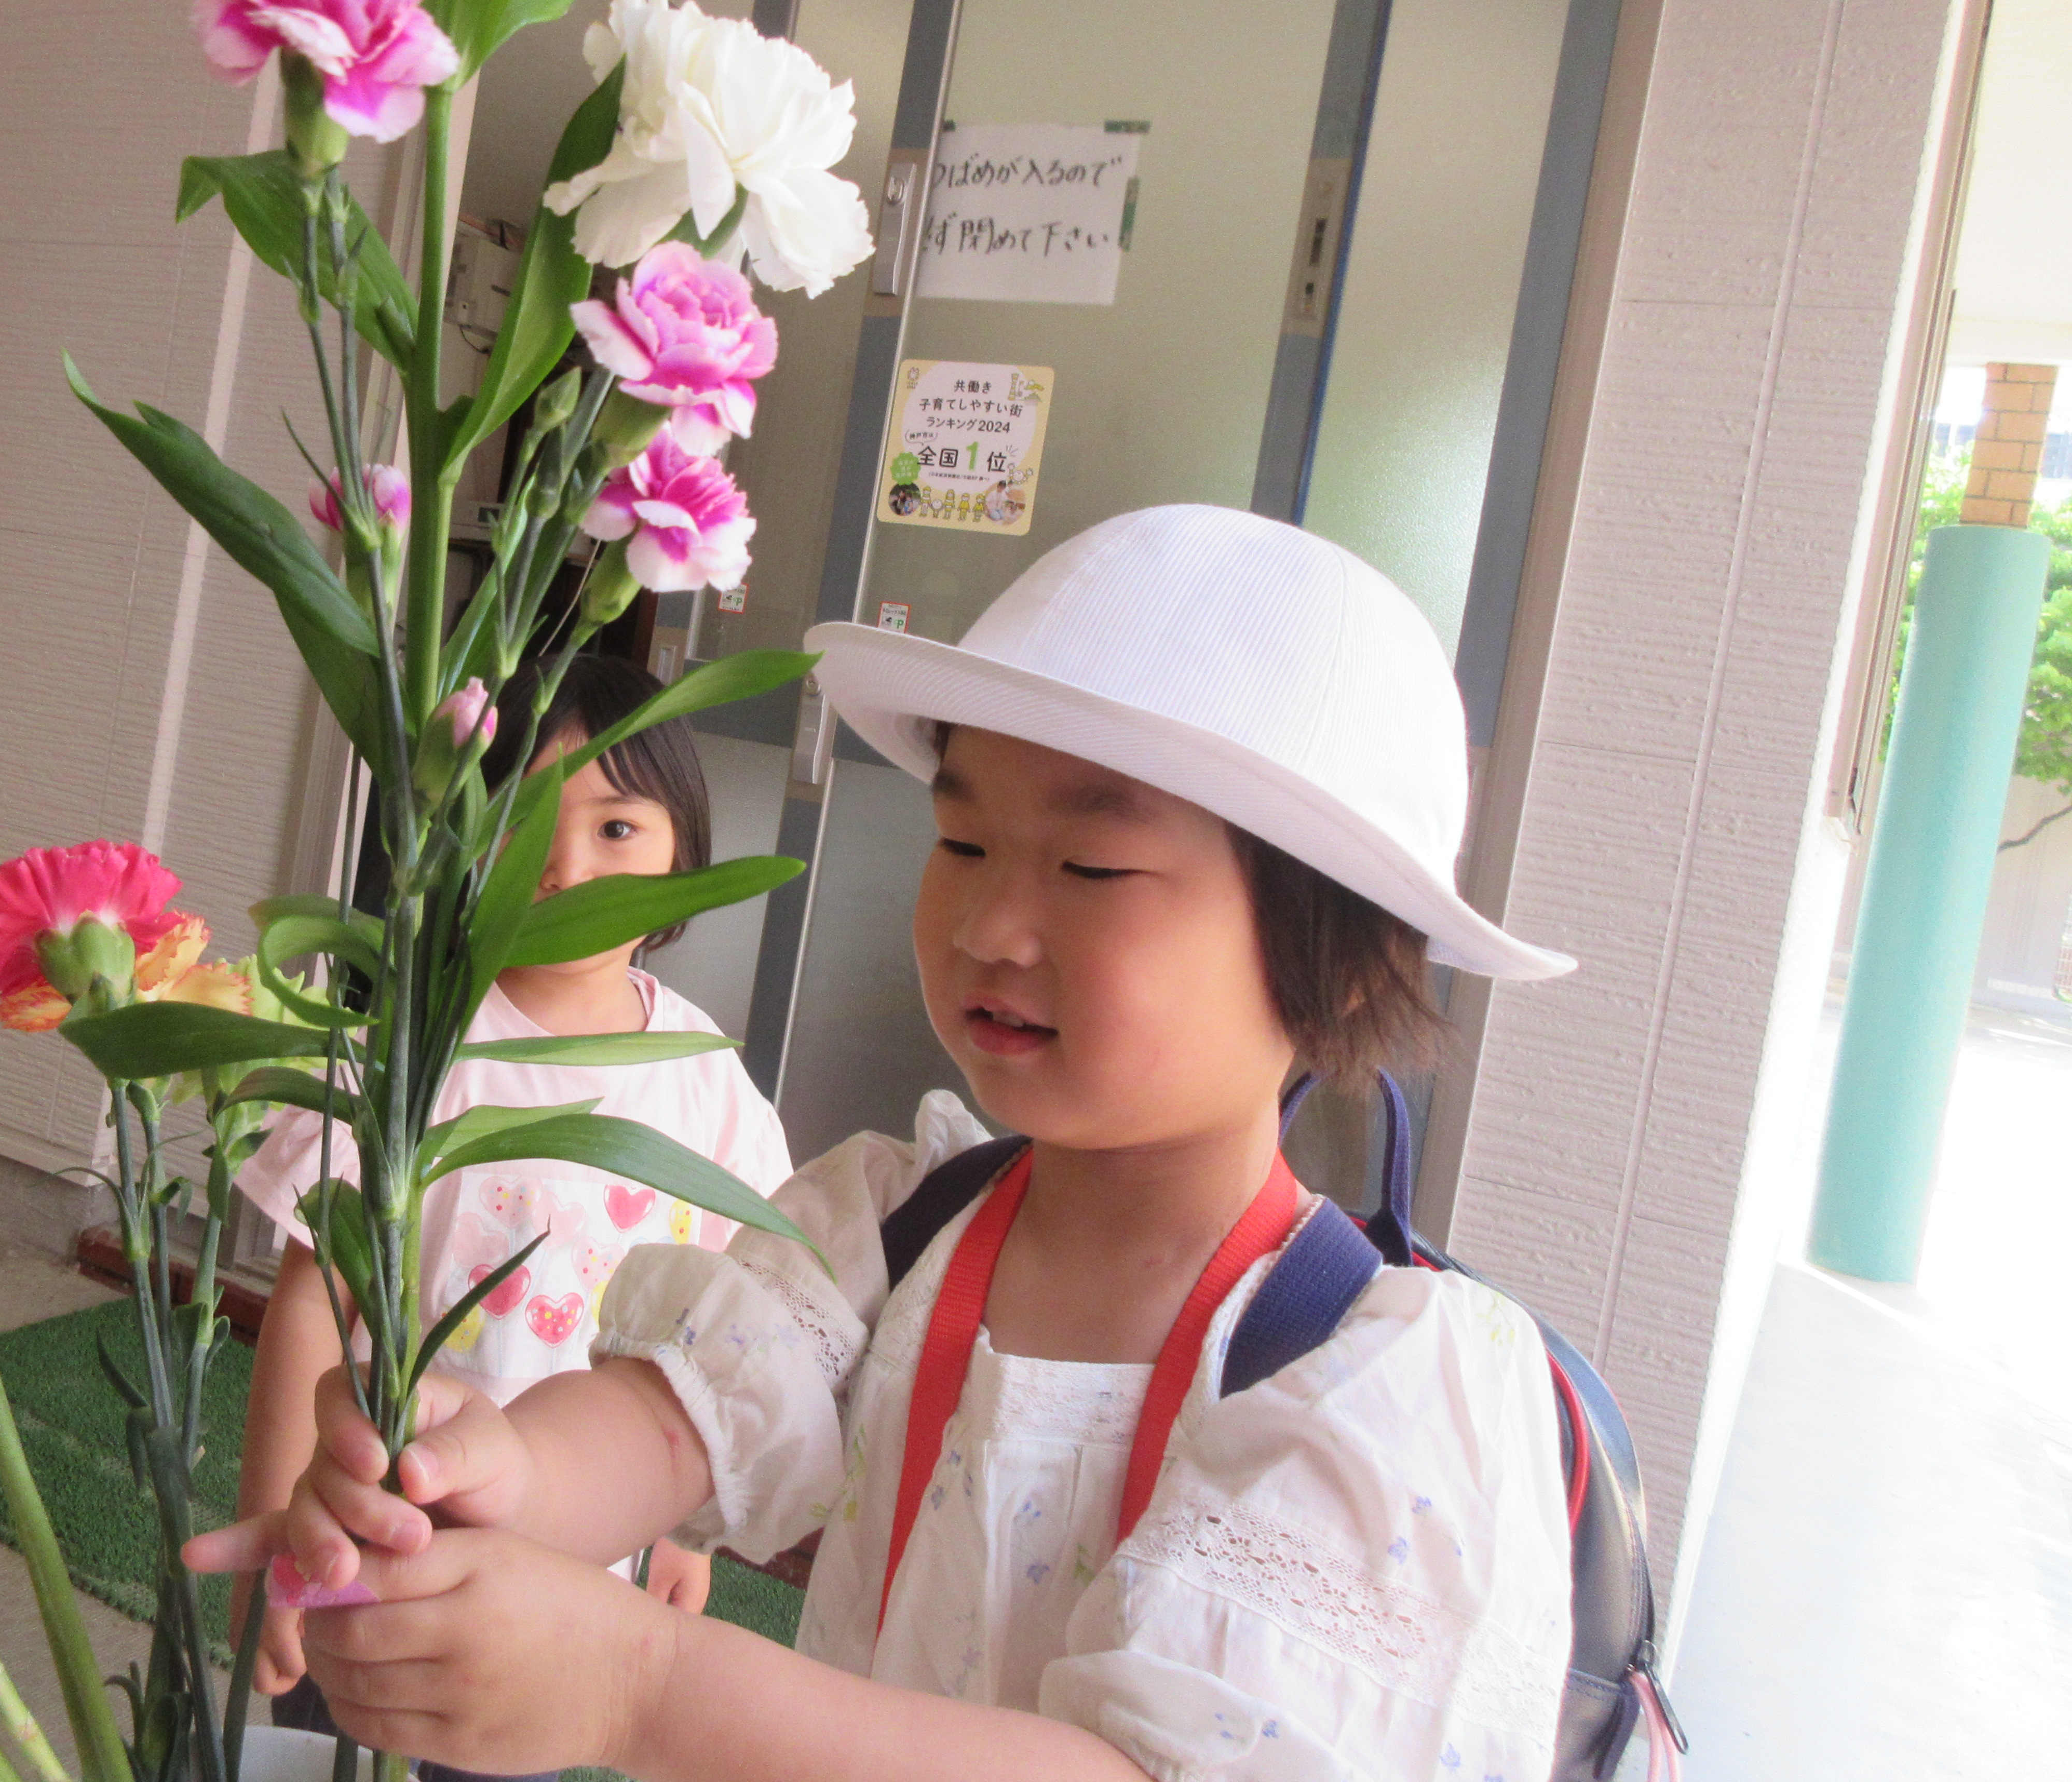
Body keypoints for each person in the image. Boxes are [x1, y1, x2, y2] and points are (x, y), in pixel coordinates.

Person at [197, 506, 1582, 1782]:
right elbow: (673, 1417)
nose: (988, 926)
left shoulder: (1372, 1392)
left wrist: (642, 1686)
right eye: (963, 842)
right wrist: (497, 1473)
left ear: (1336, 963)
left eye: (1091, 867)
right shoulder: (899, 1222)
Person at [227, 652, 793, 1751]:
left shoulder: (704, 1079)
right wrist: (274, 1527)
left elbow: (722, 1340)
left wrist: (688, 1533)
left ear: (684, 855)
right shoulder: (416, 1050)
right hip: (371, 1546)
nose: (565, 868)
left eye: (616, 828)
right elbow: (313, 1302)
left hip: (561, 1590)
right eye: (525, 822)